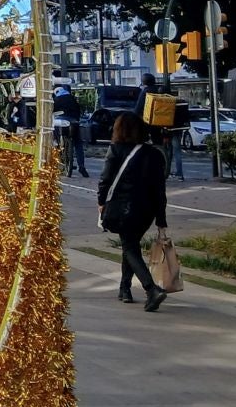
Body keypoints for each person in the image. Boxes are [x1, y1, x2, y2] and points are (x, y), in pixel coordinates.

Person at [97, 114, 170, 311]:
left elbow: (105, 179)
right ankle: (125, 289)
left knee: (129, 248)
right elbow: (159, 189)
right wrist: (161, 219)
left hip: (123, 207)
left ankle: (151, 289)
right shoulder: (154, 154)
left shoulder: (116, 149)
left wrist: (101, 202)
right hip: (147, 210)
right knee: (130, 245)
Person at [54, 82, 88, 176]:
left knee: (56, 139)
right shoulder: (73, 99)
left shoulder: (56, 99)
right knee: (78, 143)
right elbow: (78, 111)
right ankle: (82, 167)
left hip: (60, 122)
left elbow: (52, 112)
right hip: (73, 122)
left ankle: (59, 154)